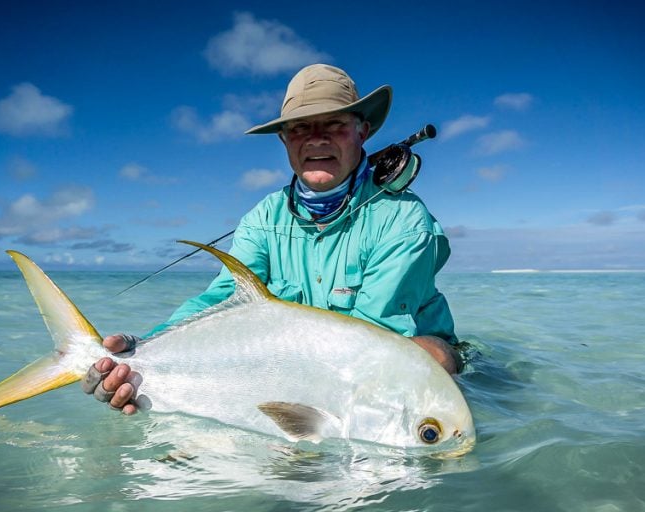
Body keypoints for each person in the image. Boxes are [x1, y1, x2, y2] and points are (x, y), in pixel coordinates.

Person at [83, 64, 462, 415]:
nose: (316, 139)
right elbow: (221, 303)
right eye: (300, 128)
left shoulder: (404, 221)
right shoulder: (264, 218)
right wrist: (141, 351)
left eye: (334, 124)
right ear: (283, 139)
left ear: (362, 131)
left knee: (432, 357)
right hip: (308, 368)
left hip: (405, 367)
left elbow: (373, 347)